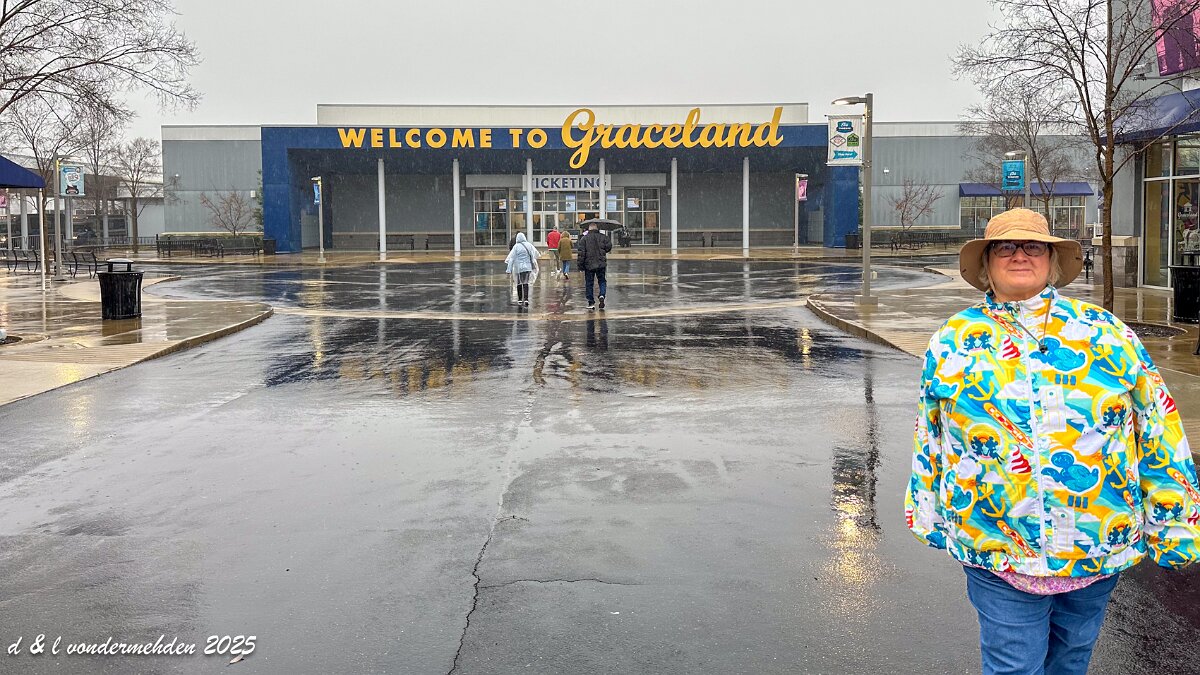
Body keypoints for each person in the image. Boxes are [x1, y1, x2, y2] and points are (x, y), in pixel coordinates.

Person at [905, 208, 1200, 675]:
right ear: (986, 263)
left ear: (1051, 260)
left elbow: (1157, 426)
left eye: (1033, 246)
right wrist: (928, 513)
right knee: (1014, 667)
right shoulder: (953, 340)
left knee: (1071, 661)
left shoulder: (1104, 332)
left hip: (1096, 540)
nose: (1019, 255)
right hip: (997, 543)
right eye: (1005, 247)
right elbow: (931, 435)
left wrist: (1174, 523)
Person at [576, 220, 611, 310]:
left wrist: (580, 266)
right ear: (597, 228)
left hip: (589, 264)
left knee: (589, 283)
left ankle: (591, 302)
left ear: (589, 229)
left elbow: (581, 254)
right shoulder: (603, 237)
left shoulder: (584, 239)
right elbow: (608, 247)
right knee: (602, 281)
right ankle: (602, 295)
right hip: (601, 263)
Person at [504, 232, 539, 308]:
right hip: (527, 267)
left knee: (519, 282)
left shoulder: (516, 247)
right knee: (526, 282)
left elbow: (511, 258)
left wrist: (509, 270)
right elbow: (535, 254)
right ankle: (526, 299)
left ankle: (520, 299)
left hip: (518, 268)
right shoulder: (529, 245)